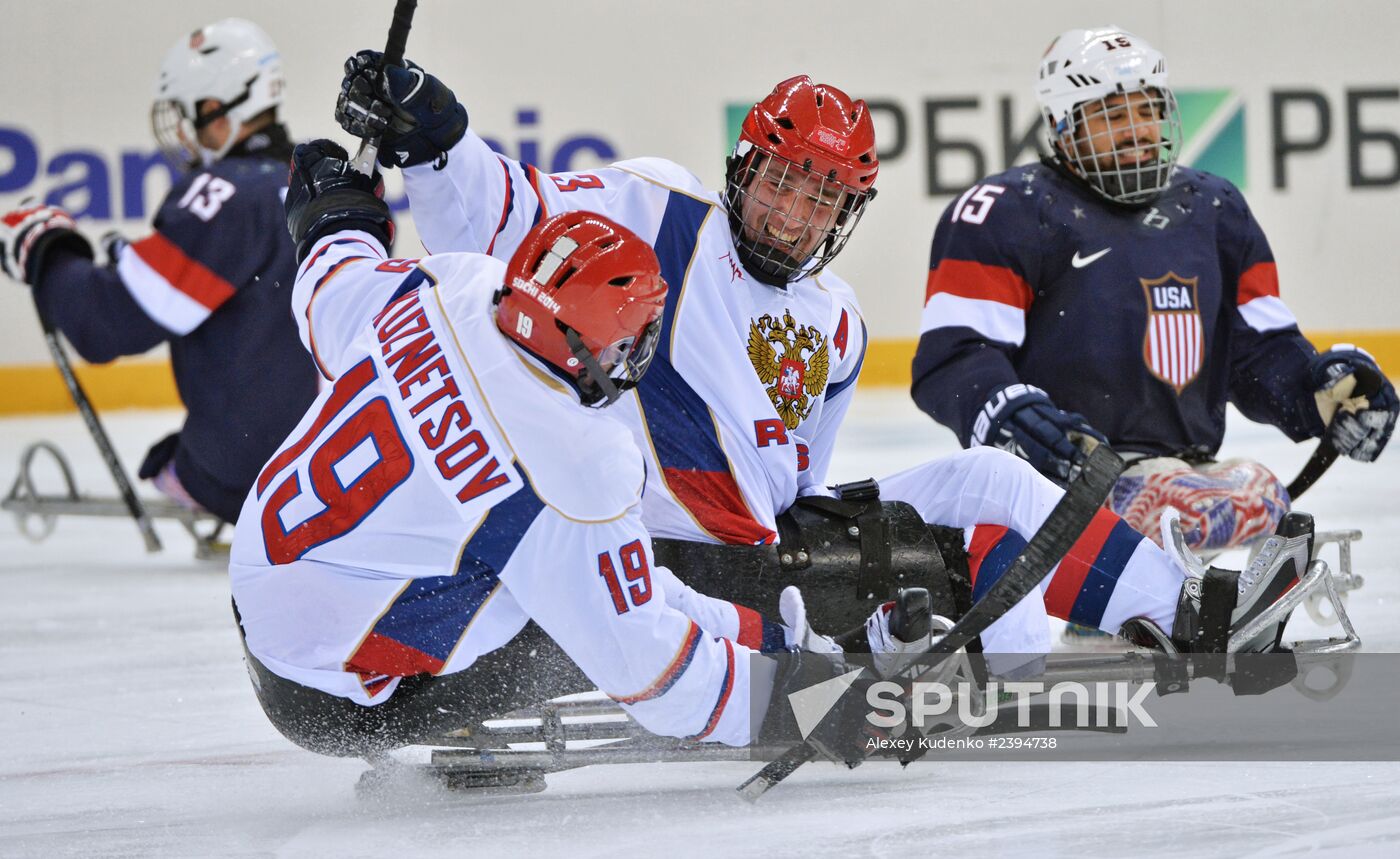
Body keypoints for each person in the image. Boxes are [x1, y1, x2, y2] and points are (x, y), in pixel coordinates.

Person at [329, 51, 1326, 664]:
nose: (792, 209)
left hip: (764, 547)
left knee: (987, 477)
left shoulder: (837, 321)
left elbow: (794, 479)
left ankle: (1189, 609)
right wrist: (433, 138)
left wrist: (861, 544)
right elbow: (490, 219)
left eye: (821, 196)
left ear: (845, 214)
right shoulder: (654, 207)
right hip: (650, 546)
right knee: (946, 557)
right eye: (781, 178)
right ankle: (1015, 657)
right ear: (743, 164)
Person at [230, 139, 931, 761]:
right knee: (573, 604)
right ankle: (456, 719)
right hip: (333, 700)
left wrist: (334, 215)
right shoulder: (573, 465)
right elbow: (655, 673)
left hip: (262, 577)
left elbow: (331, 293)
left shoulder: (451, 287)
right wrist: (804, 706)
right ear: (598, 351)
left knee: (569, 566)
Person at [912, 26, 1398, 555]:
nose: (1138, 130)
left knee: (1257, 496)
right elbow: (955, 358)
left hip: (1181, 475)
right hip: (1053, 484)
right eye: (1112, 116)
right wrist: (1014, 419)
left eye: (1149, 111)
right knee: (1196, 504)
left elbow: (1259, 349)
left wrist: (1321, 391)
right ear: (1060, 124)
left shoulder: (1214, 208)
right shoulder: (1002, 210)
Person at [0, 18, 318, 524]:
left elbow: (109, 323)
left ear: (216, 110)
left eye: (192, 115)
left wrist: (46, 252)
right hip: (350, 462)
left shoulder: (225, 196)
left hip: (253, 473)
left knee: (184, 462)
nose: (186, 133)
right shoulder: (325, 182)